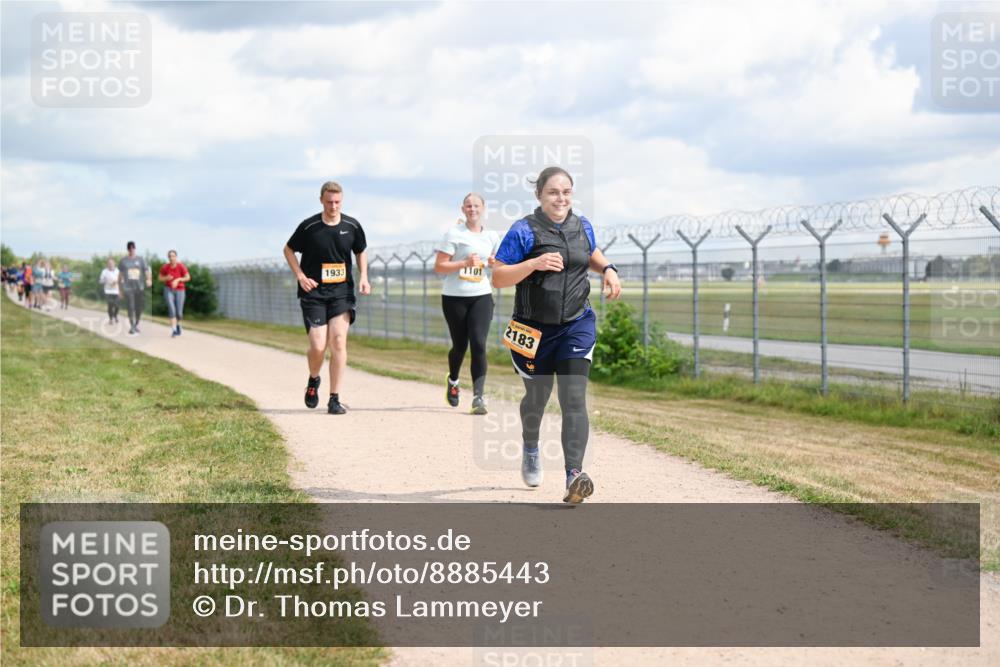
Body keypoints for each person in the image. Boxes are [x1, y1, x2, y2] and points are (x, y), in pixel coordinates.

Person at [492, 166, 621, 503]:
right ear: (540, 196)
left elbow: (589, 252)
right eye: (553, 192)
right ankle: (531, 446)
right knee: (536, 399)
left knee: (573, 398)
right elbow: (499, 277)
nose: (561, 198)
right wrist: (533, 264)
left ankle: (574, 475)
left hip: (576, 324)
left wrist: (608, 269)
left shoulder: (583, 225)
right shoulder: (523, 230)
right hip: (531, 329)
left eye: (566, 192)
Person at [283, 181, 370, 415]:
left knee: (339, 341)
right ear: (321, 200)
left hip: (341, 293)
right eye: (329, 201)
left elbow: (361, 251)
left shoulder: (352, 225)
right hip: (314, 294)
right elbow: (288, 250)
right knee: (318, 346)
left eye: (338, 202)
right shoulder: (309, 226)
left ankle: (334, 398)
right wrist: (300, 275)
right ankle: (313, 379)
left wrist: (364, 277)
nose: (333, 206)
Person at [434, 193, 501, 414]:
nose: (472, 209)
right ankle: (453, 380)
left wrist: (493, 262)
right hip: (454, 297)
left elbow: (497, 263)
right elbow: (440, 267)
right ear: (463, 209)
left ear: (483, 209)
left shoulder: (491, 236)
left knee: (479, 344)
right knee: (460, 345)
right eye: (468, 206)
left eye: (476, 205)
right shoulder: (454, 234)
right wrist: (464, 262)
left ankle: (478, 397)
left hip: (481, 294)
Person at [118, 241, 152, 334]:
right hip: (128, 288)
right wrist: (120, 290)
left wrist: (149, 279)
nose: (131, 250)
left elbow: (146, 271)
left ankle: (136, 324)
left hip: (139, 287)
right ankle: (132, 326)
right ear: (127, 249)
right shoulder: (123, 261)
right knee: (130, 307)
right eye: (130, 248)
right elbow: (120, 275)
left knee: (138, 308)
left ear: (135, 248)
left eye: (133, 248)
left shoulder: (141, 259)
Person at [158, 250, 190, 337]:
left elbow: (188, 277)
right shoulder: (165, 267)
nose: (171, 258)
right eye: (170, 256)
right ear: (168, 258)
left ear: (176, 257)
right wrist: (166, 278)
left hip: (180, 290)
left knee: (179, 313)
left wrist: (178, 279)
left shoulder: (181, 266)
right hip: (168, 290)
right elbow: (160, 278)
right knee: (172, 310)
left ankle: (179, 325)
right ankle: (174, 330)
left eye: (173, 256)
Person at [99, 258, 120, 324]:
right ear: (107, 264)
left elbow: (122, 280)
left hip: (116, 291)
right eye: (109, 263)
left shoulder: (118, 271)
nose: (110, 264)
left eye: (111, 263)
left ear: (114, 264)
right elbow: (100, 281)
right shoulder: (104, 271)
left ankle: (115, 315)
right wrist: (106, 280)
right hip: (108, 291)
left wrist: (116, 281)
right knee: (110, 305)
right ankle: (111, 319)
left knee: (117, 306)